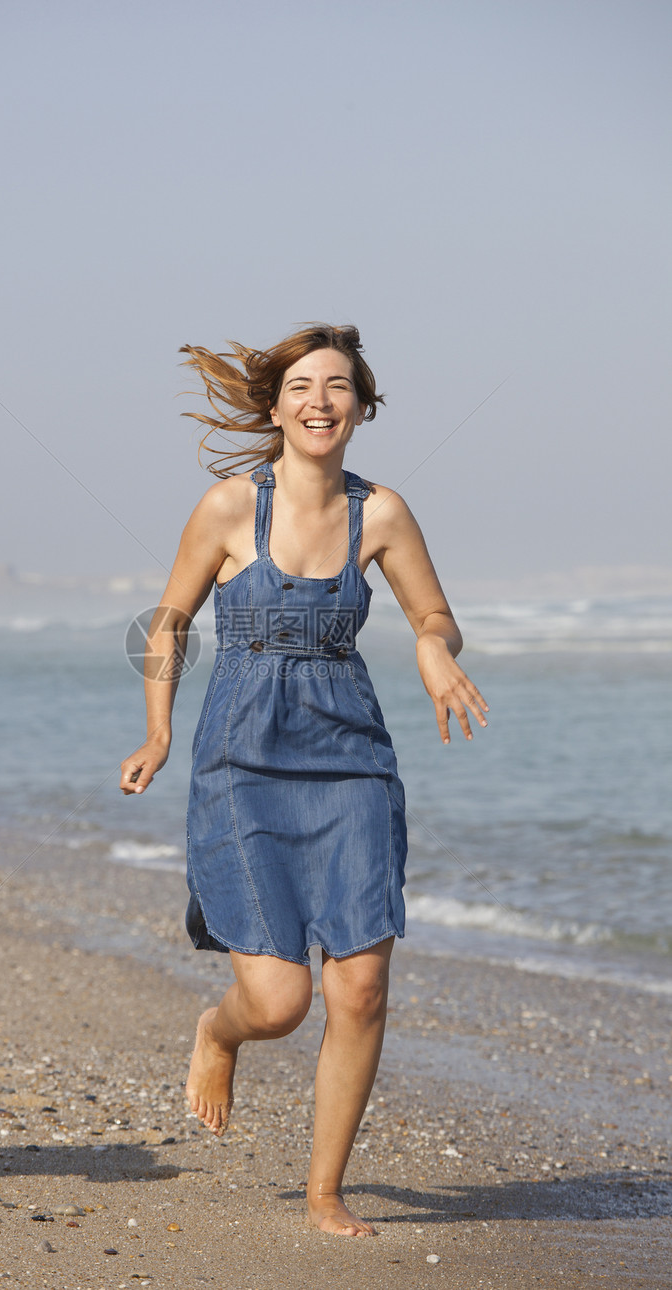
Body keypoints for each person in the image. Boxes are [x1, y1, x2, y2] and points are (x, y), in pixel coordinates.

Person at [120, 323, 488, 1236]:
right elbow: (168, 623)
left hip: (351, 759)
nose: (320, 400)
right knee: (279, 1002)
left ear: (362, 407)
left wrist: (434, 651)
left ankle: (326, 1192)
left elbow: (434, 612)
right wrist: (159, 731)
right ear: (277, 405)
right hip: (242, 763)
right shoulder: (226, 509)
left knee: (359, 988)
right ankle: (220, 1031)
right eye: (303, 386)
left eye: (339, 386)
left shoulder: (384, 513)